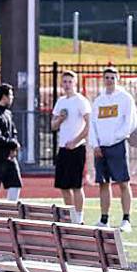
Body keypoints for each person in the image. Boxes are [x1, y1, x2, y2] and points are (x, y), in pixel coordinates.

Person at [90, 67, 136, 233]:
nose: (109, 80)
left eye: (112, 77)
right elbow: (93, 124)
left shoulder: (125, 98)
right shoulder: (98, 100)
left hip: (117, 145)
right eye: (106, 77)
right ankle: (104, 219)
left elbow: (129, 122)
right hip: (100, 148)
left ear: (118, 79)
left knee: (123, 182)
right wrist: (95, 144)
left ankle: (126, 219)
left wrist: (115, 138)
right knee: (103, 183)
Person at [51, 70, 92, 224]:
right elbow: (53, 125)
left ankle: (79, 218)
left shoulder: (81, 101)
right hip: (63, 148)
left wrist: (76, 141)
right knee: (63, 186)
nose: (67, 85)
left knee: (76, 185)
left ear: (75, 84)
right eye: (65, 82)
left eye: (70, 82)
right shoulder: (61, 101)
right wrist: (60, 119)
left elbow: (89, 125)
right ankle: (70, 216)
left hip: (77, 148)